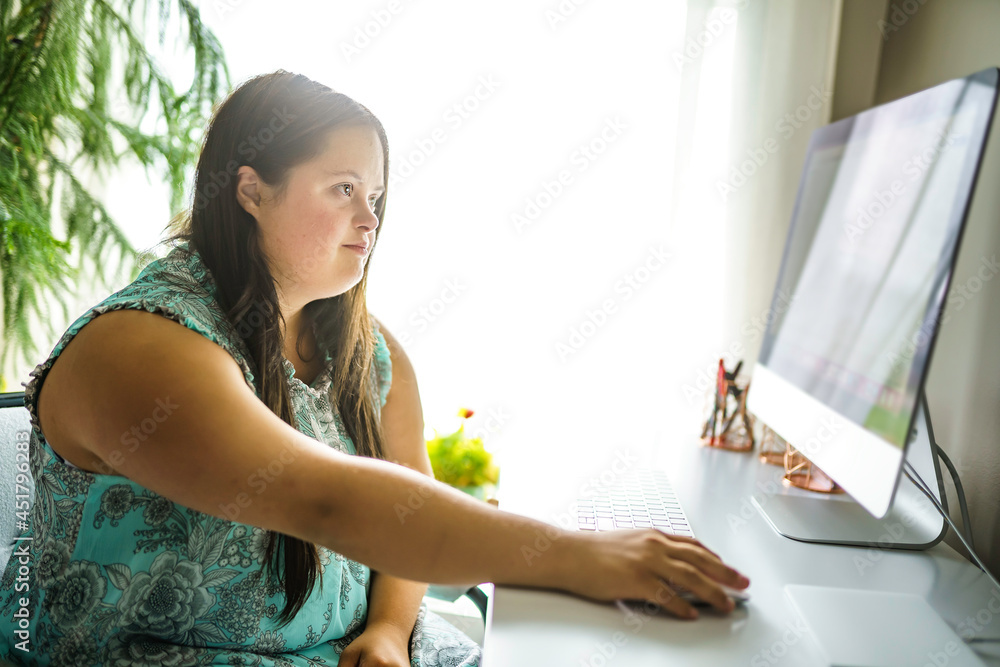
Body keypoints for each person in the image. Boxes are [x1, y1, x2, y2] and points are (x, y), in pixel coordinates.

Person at [0, 70, 750, 667]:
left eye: (378, 196)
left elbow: (407, 519)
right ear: (251, 189)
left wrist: (391, 628)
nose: (371, 220)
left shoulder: (371, 352)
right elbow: (327, 501)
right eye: (344, 189)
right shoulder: (142, 347)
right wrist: (578, 555)